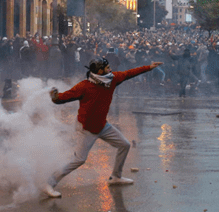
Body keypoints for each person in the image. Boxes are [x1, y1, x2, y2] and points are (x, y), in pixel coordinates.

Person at [43, 57, 163, 198]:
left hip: (102, 125)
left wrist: (148, 67)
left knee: (124, 145)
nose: (110, 69)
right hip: (86, 128)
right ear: (100, 71)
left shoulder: (112, 79)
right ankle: (49, 183)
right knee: (79, 160)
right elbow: (63, 97)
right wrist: (55, 97)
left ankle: (115, 177)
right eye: (107, 68)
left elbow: (129, 73)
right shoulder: (84, 86)